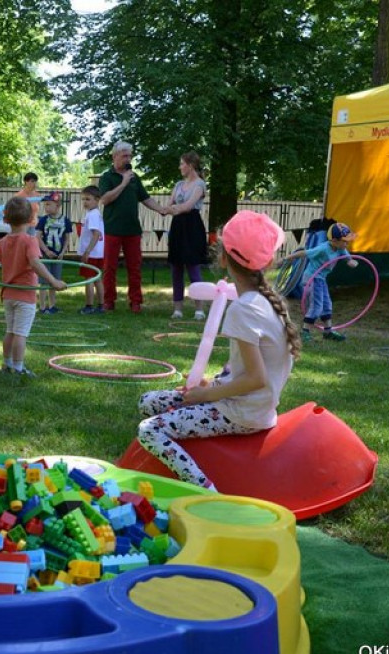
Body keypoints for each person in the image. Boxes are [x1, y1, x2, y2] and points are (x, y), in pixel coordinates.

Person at [137, 210, 299, 491]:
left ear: (223, 257)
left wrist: (206, 395)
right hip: (247, 403)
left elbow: (255, 379)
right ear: (269, 261)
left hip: (242, 413)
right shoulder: (261, 301)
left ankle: (205, 489)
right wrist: (210, 382)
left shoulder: (243, 309)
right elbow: (245, 368)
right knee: (147, 401)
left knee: (148, 430)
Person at [0, 196, 66, 377]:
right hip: (24, 296)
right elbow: (35, 263)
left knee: (10, 331)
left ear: (5, 220)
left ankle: (7, 364)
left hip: (8, 295)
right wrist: (54, 281)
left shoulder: (2, 242)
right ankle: (18, 368)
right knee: (20, 334)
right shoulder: (30, 241)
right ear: (31, 220)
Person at [98, 141, 170, 313]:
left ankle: (136, 302)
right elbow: (105, 199)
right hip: (112, 229)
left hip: (132, 230)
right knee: (109, 267)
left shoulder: (134, 177)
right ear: (114, 156)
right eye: (124, 156)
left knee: (135, 267)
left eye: (130, 156)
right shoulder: (107, 177)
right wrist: (123, 183)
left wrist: (160, 209)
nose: (128, 159)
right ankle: (109, 301)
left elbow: (145, 198)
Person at [290, 223, 358, 342]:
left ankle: (328, 332)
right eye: (345, 241)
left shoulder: (339, 248)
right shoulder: (322, 249)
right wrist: (287, 259)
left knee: (327, 304)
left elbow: (345, 254)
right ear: (335, 240)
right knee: (317, 305)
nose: (347, 243)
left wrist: (350, 261)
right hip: (312, 278)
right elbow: (305, 253)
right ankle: (305, 331)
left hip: (321, 279)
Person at [162, 152, 208, 320]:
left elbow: (188, 207)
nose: (180, 167)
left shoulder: (200, 184)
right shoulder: (178, 184)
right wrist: (165, 209)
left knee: (193, 268)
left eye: (182, 164)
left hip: (192, 227)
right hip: (178, 227)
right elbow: (169, 205)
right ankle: (178, 309)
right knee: (176, 268)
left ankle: (199, 309)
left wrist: (171, 209)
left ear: (190, 165)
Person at [35, 191, 73, 313]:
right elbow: (38, 236)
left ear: (57, 205)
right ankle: (42, 307)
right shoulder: (43, 220)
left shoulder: (65, 220)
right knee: (44, 281)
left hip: (58, 256)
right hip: (46, 255)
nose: (46, 207)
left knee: (54, 281)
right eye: (45, 204)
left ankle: (52, 306)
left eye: (48, 204)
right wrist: (46, 250)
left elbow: (67, 238)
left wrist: (63, 252)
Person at [77, 185, 105, 314]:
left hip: (92, 254)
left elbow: (96, 234)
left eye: (88, 199)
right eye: (83, 199)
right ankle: (101, 305)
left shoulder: (93, 215)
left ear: (97, 200)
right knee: (97, 279)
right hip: (98, 253)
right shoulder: (95, 213)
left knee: (89, 279)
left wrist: (87, 251)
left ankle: (89, 306)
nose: (85, 202)